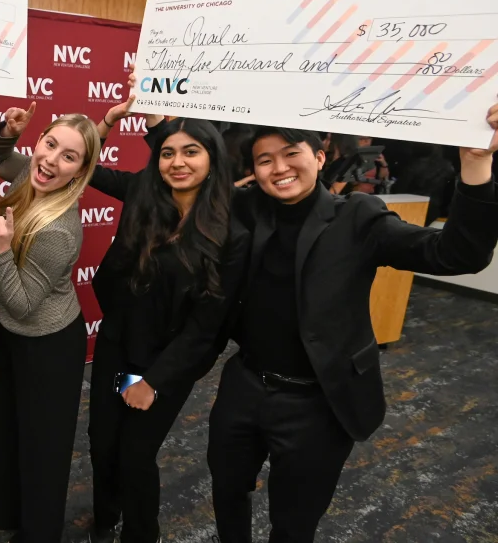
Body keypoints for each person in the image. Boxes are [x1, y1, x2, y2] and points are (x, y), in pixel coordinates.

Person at [207, 106, 498, 543]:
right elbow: (176, 188)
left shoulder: (357, 217)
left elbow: (457, 255)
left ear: (320, 157)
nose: (279, 168)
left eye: (291, 154)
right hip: (245, 384)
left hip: (319, 401)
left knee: (294, 521)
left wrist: (475, 166)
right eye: (265, 160)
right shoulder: (246, 208)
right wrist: (156, 127)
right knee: (227, 490)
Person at [87, 93, 248, 543]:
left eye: (191, 152)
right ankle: (105, 518)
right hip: (119, 349)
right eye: (168, 153)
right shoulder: (144, 197)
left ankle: (141, 534)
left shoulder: (232, 232)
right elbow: (83, 166)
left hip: (166, 364)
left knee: (136, 455)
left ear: (212, 159)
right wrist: (108, 123)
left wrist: (152, 382)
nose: (178, 162)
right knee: (103, 444)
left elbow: (207, 327)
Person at [0, 106, 101, 542]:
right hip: (14, 335)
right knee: (9, 433)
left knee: (43, 449)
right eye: (50, 144)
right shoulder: (29, 173)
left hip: (48, 346)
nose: (51, 160)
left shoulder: (60, 230)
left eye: (69, 157)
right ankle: (11, 515)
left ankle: (39, 534)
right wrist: (6, 133)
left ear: (80, 171)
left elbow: (23, 303)